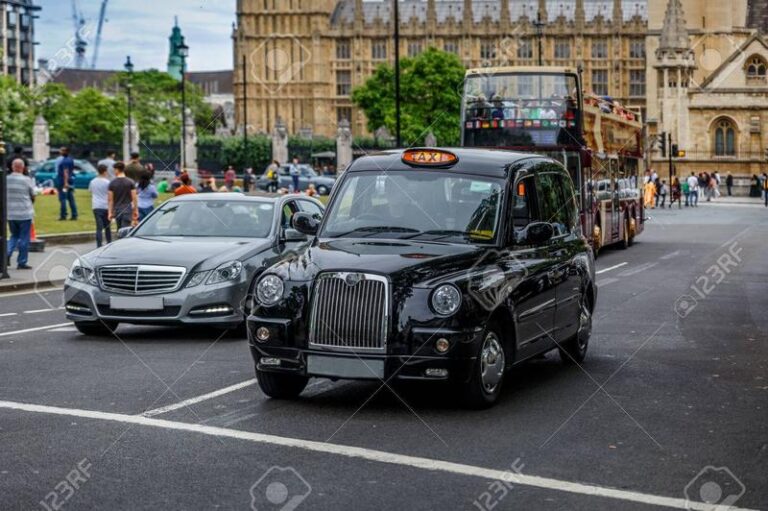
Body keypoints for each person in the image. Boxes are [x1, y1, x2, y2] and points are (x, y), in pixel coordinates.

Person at [5, 159, 35, 269]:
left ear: (13, 167)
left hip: (11, 213)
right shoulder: (27, 180)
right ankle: (22, 262)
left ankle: (7, 253)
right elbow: (33, 194)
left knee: (13, 235)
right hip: (24, 213)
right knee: (24, 238)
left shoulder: (6, 179)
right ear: (22, 167)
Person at [108, 162, 138, 230]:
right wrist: (136, 210)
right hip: (127, 210)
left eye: (114, 170)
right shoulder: (130, 182)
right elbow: (134, 198)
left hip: (117, 210)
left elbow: (110, 200)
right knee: (126, 229)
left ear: (117, 170)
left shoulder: (112, 183)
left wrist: (110, 212)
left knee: (119, 230)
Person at [88, 164, 112, 247]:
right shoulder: (107, 182)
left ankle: (99, 244)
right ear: (105, 172)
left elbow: (90, 191)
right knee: (107, 226)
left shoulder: (92, 181)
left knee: (99, 227)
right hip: (105, 206)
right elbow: (110, 194)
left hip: (96, 206)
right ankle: (109, 242)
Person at [55, 147, 78, 221]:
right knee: (71, 198)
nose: (60, 151)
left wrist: (65, 183)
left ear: (65, 151)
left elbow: (66, 172)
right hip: (70, 181)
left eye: (61, 150)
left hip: (63, 182)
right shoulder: (70, 159)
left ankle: (63, 215)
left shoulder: (64, 161)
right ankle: (74, 214)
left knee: (63, 199)